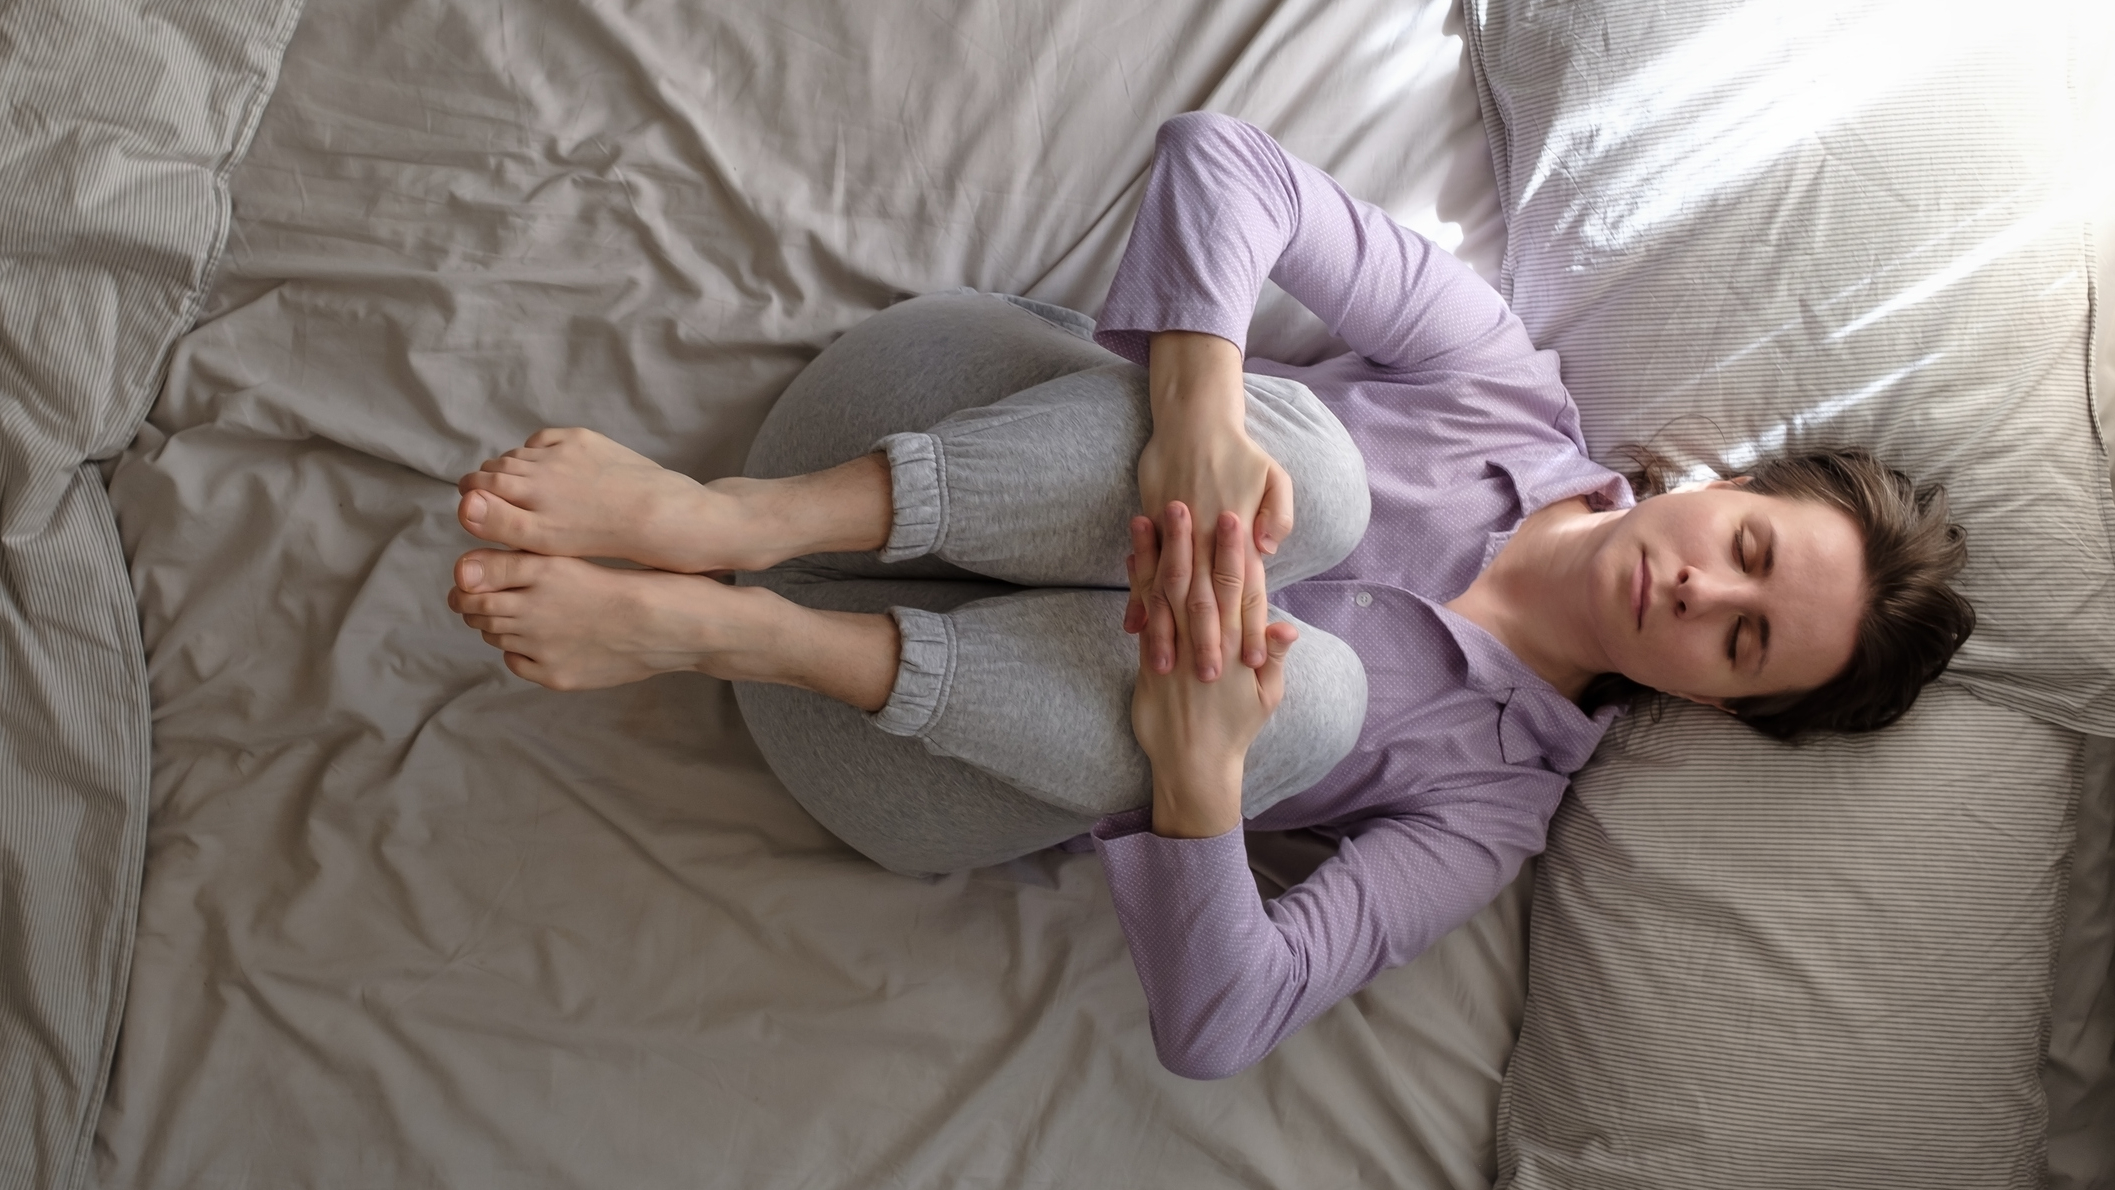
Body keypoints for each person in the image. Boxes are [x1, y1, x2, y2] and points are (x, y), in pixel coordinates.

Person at [441, 112, 1976, 1079]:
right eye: (1753, 550)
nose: (1702, 589)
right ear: (1726, 481)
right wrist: (1199, 410)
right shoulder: (1498, 382)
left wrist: (1200, 770)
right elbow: (1224, 162)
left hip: (876, 735)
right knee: (1312, 470)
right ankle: (722, 521)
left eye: (1743, 640)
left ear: (1718, 702)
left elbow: (1223, 1023)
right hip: (896, 428)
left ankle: (730, 621)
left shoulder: (1494, 807)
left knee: (1301, 695)